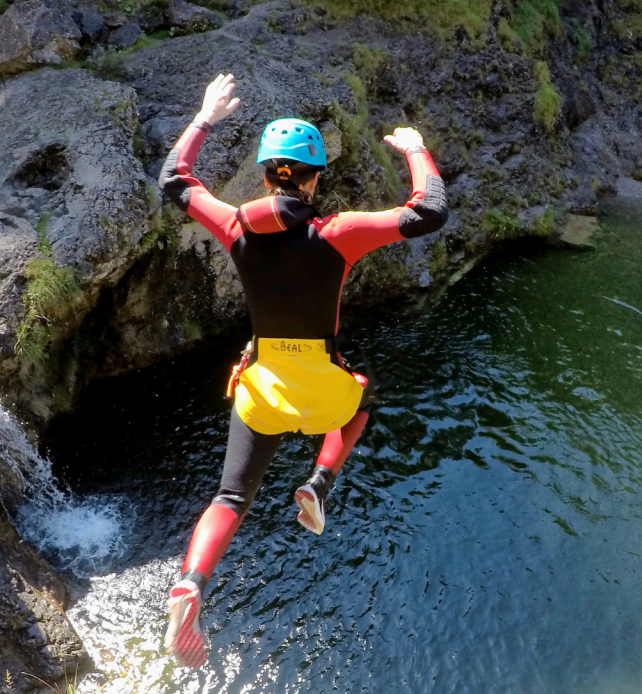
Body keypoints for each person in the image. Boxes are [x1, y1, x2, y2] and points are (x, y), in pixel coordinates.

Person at [158, 73, 448, 668]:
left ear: (266, 173)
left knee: (231, 494)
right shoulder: (337, 234)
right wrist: (416, 148)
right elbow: (429, 212)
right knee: (363, 399)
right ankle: (319, 482)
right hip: (324, 395)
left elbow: (175, 181)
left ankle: (192, 583)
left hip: (261, 390)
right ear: (314, 178)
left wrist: (205, 118)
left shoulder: (234, 226)